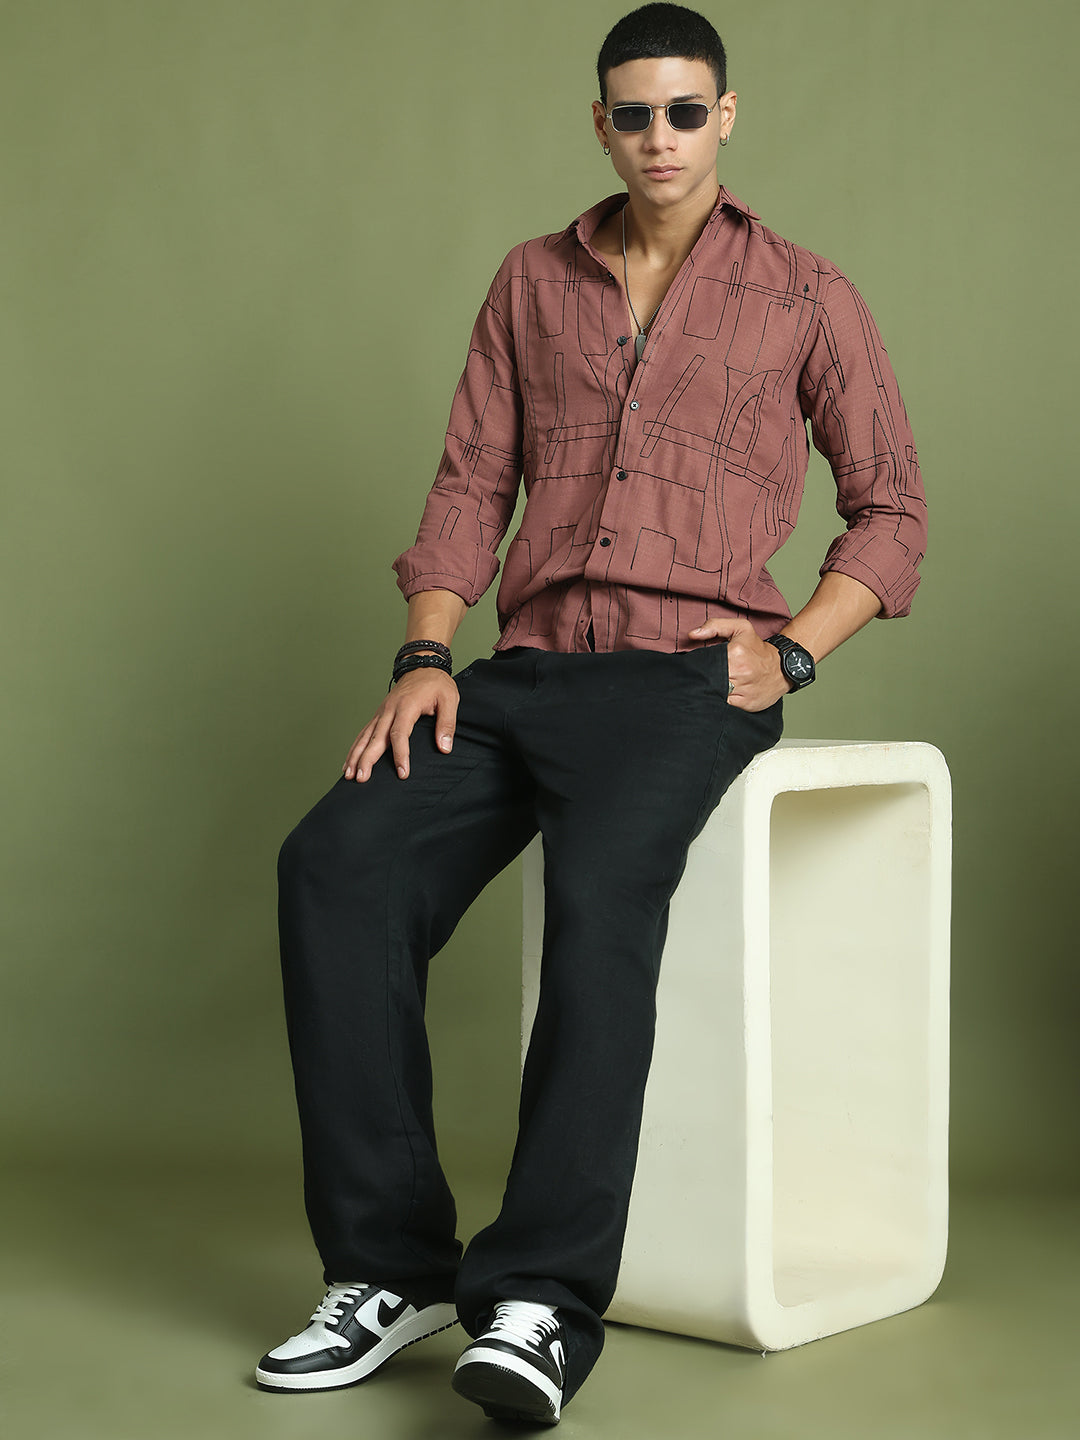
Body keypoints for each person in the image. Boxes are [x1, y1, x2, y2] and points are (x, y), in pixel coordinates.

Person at [255, 3, 927, 1425]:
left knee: (600, 908)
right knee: (335, 866)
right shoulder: (530, 281)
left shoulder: (807, 294)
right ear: (603, 125)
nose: (660, 138)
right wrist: (425, 655)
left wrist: (795, 655)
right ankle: (387, 1270)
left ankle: (542, 1302)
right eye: (634, 114)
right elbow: (469, 485)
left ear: (725, 117)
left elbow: (893, 511)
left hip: (687, 683)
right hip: (520, 675)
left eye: (686, 112)